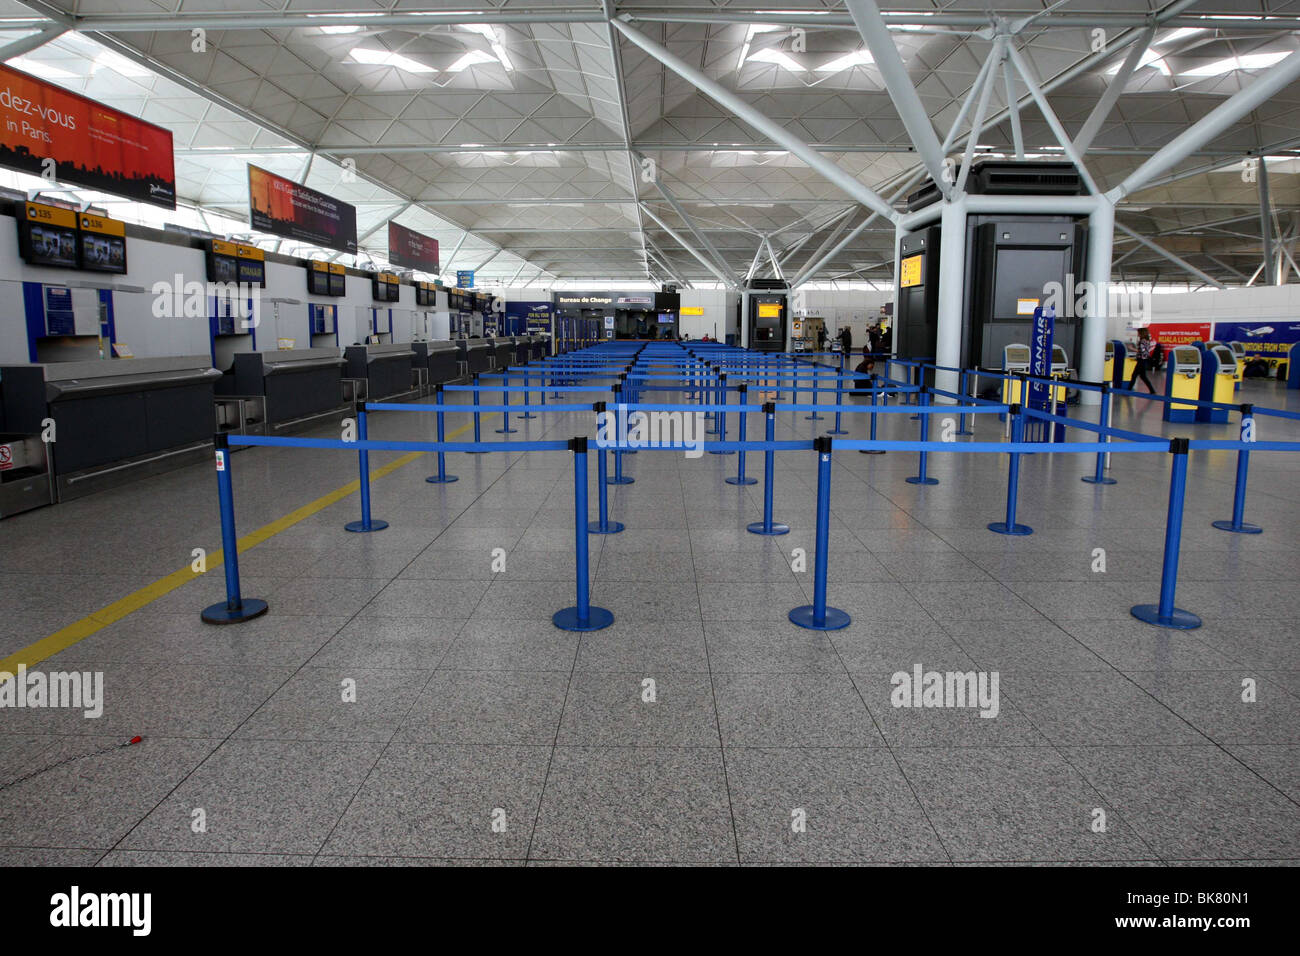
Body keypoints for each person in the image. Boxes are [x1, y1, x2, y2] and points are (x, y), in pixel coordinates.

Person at [1129, 327, 1157, 392]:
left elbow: (1142, 351)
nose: (1138, 334)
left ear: (1141, 333)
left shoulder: (1142, 341)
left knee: (1134, 375)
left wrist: (1131, 348)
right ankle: (1152, 390)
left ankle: (1128, 390)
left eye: (1138, 333)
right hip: (1144, 360)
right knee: (1143, 376)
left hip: (1141, 360)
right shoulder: (1146, 340)